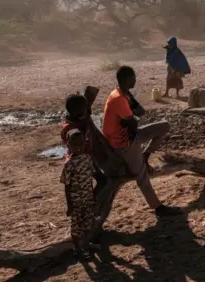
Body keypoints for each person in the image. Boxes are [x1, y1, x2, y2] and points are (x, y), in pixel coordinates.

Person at [102, 65, 179, 217]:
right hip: (123, 142)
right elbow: (134, 122)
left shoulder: (123, 94)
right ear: (128, 79)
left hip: (130, 134)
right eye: (134, 78)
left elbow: (141, 112)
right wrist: (131, 117)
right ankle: (157, 207)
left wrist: (131, 114)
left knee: (164, 126)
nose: (136, 80)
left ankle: (145, 154)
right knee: (141, 174)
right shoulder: (119, 98)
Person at [61, 129, 100, 259]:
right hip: (76, 201)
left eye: (81, 144)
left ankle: (86, 244)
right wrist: (69, 205)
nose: (79, 147)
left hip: (88, 198)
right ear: (68, 145)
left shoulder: (87, 159)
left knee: (88, 222)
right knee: (77, 226)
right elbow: (67, 187)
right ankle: (77, 249)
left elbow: (90, 179)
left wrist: (92, 197)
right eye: (75, 145)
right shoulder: (68, 164)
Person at [61, 92, 108, 198]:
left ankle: (92, 201)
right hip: (79, 160)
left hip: (87, 158)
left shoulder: (77, 121)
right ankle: (92, 201)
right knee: (93, 183)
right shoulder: (70, 128)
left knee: (97, 182)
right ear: (79, 111)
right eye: (84, 108)